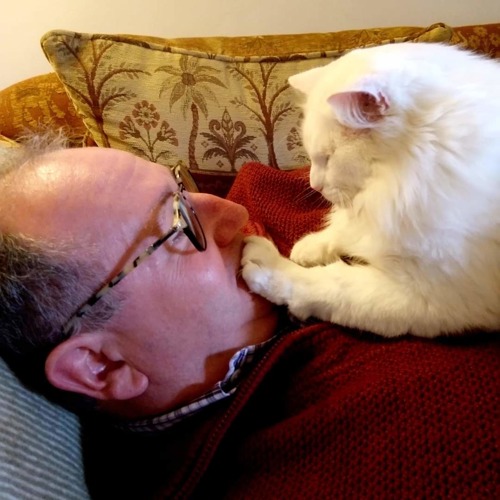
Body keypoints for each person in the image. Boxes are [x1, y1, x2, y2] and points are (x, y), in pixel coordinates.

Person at [0, 137, 498, 499]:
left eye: (180, 187)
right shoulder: (366, 463)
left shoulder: (269, 199)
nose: (234, 209)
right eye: (179, 225)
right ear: (102, 366)